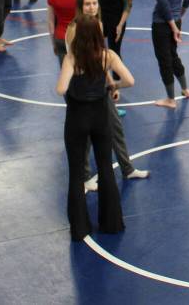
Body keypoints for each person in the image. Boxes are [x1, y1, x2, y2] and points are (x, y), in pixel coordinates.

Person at [65, 0, 150, 192]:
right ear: (80, 6)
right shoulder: (74, 28)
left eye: (94, 3)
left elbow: (100, 58)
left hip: (99, 88)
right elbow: (76, 61)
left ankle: (127, 168)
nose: (92, 7)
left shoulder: (98, 25)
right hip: (81, 90)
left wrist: (110, 82)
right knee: (85, 134)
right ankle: (85, 177)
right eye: (87, 4)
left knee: (115, 127)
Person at [55, 15, 131, 242]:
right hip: (100, 118)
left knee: (76, 173)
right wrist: (112, 85)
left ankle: (80, 228)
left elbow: (61, 89)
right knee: (106, 168)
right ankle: (112, 223)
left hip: (77, 118)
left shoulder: (72, 58)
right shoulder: (108, 56)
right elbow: (130, 80)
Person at [148, 0, 189, 109]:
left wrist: (173, 26)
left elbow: (164, 6)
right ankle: (185, 89)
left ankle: (170, 99)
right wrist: (179, 16)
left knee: (164, 60)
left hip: (162, 25)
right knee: (173, 56)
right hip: (176, 20)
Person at [47, 0, 83, 65]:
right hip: (77, 38)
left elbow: (50, 23)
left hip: (60, 37)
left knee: (65, 71)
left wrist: (53, 43)